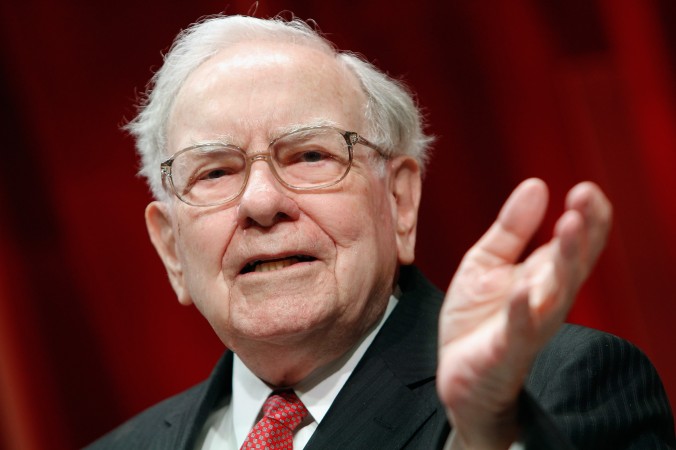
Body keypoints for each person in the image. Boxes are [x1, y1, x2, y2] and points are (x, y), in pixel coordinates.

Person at [86, 14, 675, 450]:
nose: (262, 203)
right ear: (171, 249)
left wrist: (485, 433)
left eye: (310, 156)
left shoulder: (550, 391)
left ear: (399, 202)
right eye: (215, 171)